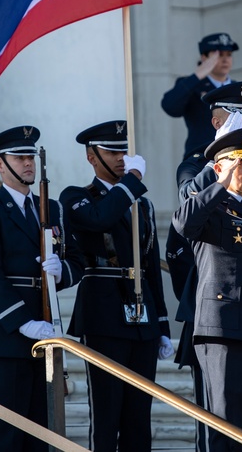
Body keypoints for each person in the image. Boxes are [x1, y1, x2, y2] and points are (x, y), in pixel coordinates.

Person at [165, 81, 242, 452]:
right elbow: (187, 216)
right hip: (217, 306)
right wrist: (223, 165)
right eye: (239, 115)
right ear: (217, 120)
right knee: (217, 421)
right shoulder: (196, 165)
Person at [0, 125, 84, 452]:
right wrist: (22, 322)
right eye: (19, 157)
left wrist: (62, 274)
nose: (28, 163)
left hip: (45, 330)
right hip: (4, 335)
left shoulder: (53, 209)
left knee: (41, 435)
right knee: (10, 434)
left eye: (31, 156)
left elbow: (77, 259)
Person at [60, 120, 174, 451]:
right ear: (91, 157)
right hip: (104, 315)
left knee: (139, 417)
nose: (122, 158)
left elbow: (151, 266)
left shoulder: (142, 204)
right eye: (112, 151)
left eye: (124, 150)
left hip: (143, 317)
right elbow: (100, 219)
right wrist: (132, 182)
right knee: (107, 414)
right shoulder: (77, 197)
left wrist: (162, 323)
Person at [161, 32, 242, 159]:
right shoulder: (193, 86)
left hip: (238, 158)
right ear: (204, 58)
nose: (225, 59)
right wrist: (198, 75)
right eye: (219, 55)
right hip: (202, 159)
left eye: (229, 54)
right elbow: (169, 106)